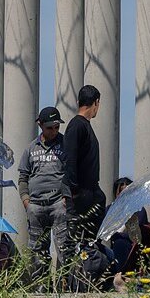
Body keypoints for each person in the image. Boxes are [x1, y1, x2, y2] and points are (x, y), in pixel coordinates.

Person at [19, 106, 71, 279]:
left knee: (63, 246)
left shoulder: (66, 145)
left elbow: (71, 173)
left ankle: (65, 283)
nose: (54, 131)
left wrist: (66, 198)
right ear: (40, 125)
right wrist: (27, 202)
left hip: (58, 204)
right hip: (36, 205)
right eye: (50, 127)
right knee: (37, 249)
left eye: (57, 127)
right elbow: (23, 178)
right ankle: (40, 284)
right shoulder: (30, 149)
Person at [64, 85, 105, 246]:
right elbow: (70, 159)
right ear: (96, 102)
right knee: (77, 239)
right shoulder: (77, 125)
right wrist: (75, 192)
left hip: (90, 191)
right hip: (81, 192)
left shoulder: (83, 125)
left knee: (91, 240)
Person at [108, 177, 150, 274]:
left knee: (120, 243)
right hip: (114, 253)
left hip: (132, 253)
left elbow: (139, 236)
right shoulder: (110, 211)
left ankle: (122, 277)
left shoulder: (139, 211)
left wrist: (119, 235)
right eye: (121, 193)